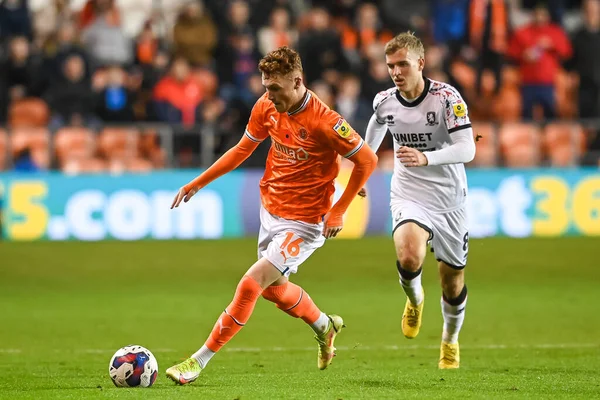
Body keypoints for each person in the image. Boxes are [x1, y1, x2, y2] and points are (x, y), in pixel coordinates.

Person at [166, 46, 377, 384]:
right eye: (266, 87)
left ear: (297, 81)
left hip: (306, 223)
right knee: (274, 291)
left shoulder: (326, 121)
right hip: (272, 210)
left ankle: (197, 361)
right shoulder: (266, 107)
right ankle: (325, 325)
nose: (269, 94)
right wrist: (198, 183)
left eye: (275, 88)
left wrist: (339, 209)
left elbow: (367, 160)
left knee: (251, 283)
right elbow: (241, 149)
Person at [364, 32, 476, 369]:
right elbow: (376, 127)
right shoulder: (384, 101)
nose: (396, 72)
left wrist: (427, 158)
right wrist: (365, 168)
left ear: (421, 64)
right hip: (409, 192)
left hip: (449, 200)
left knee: (452, 280)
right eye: (390, 66)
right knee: (409, 254)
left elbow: (467, 148)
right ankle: (415, 300)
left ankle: (449, 341)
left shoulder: (447, 99)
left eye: (402, 65)